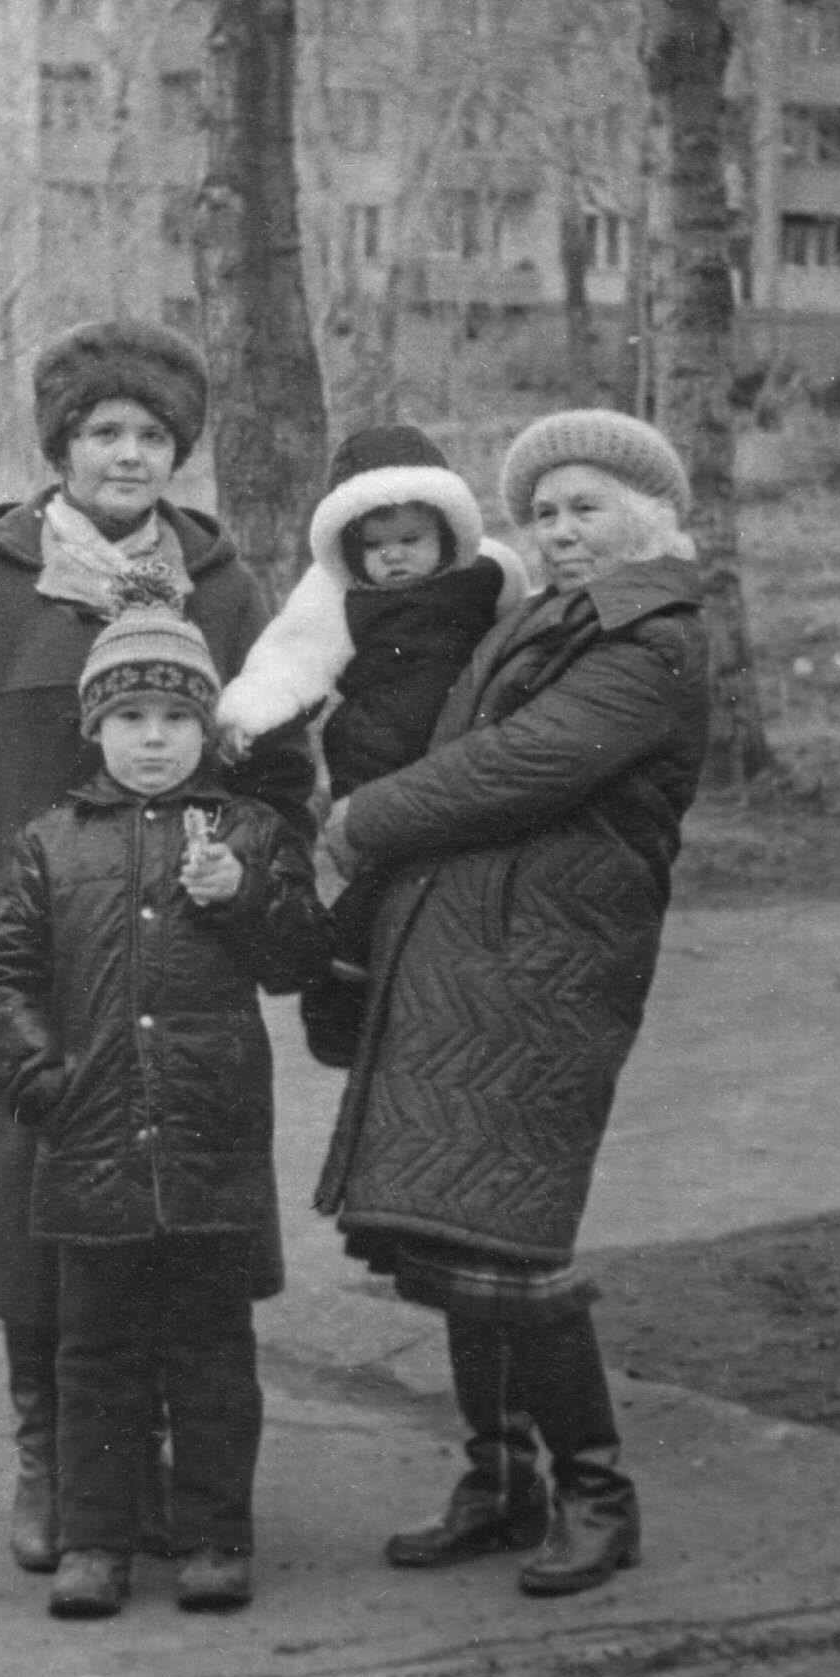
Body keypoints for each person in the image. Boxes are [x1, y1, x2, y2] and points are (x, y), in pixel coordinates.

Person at [0, 319, 312, 1580]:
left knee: (173, 1218)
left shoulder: (222, 588)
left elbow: (280, 770)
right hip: (33, 971)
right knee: (36, 1216)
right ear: (61, 447)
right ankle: (53, 1459)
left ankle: (163, 1468)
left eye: (153, 434)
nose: (128, 454)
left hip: (182, 972)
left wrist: (249, 886)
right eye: (104, 431)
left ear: (180, 451)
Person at [311, 408, 711, 1598]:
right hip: (465, 956)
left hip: (548, 967)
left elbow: (522, 763)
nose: (561, 530)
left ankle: (598, 1493)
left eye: (587, 507)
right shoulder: (543, 620)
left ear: (648, 517)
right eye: (541, 512)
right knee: (454, 1225)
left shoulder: (653, 640)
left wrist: (362, 816)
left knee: (516, 1235)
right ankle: (500, 1481)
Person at [0, 584, 331, 1616]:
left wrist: (241, 895)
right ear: (95, 726)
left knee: (213, 1351)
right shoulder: (51, 841)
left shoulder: (247, 831)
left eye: (177, 716)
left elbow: (299, 957)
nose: (153, 738)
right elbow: (5, 980)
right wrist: (42, 1080)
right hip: (89, 1144)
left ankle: (216, 1535)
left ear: (205, 727)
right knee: (95, 1355)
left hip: (208, 1138)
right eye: (130, 716)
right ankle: (97, 1541)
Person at [213, 424, 531, 1067]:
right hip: (375, 754)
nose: (393, 558)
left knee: (454, 876)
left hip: (457, 747)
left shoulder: (489, 570)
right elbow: (292, 655)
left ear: (449, 530)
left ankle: (453, 1005)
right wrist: (248, 713)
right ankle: (340, 991)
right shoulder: (338, 592)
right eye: (376, 546)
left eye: (411, 540)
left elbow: (523, 630)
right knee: (381, 874)